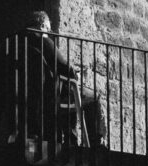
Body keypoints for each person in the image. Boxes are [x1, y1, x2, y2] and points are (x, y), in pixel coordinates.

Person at [25, 11, 107, 148]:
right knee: (93, 97)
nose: (49, 32)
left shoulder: (23, 42)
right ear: (41, 26)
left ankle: (71, 140)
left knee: (71, 94)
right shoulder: (42, 40)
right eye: (48, 28)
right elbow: (63, 65)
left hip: (39, 92)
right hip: (53, 92)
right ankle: (95, 142)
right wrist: (75, 74)